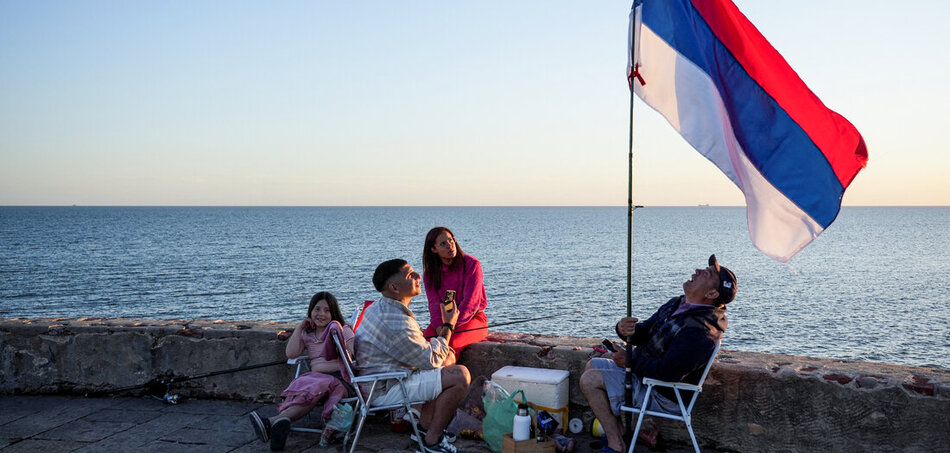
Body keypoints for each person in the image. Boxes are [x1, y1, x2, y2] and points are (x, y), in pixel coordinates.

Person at [580, 255, 737, 453]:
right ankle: (619, 432)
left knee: (589, 380)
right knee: (591, 365)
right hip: (646, 378)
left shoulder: (701, 331)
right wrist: (623, 329)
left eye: (706, 274)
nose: (697, 271)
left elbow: (667, 372)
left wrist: (629, 362)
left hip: (664, 394)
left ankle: (616, 444)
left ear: (712, 293)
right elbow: (644, 332)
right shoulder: (677, 304)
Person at [355, 259, 471, 453]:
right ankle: (432, 442)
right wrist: (449, 324)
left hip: (378, 381)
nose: (418, 276)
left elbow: (422, 353)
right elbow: (430, 360)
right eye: (410, 275)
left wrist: (439, 343)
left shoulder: (379, 307)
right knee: (460, 376)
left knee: (448, 358)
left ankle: (425, 427)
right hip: (385, 388)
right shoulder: (395, 320)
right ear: (394, 287)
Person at [249, 291, 355, 451]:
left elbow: (353, 355)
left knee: (315, 385)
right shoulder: (308, 334)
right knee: (308, 385)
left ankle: (271, 422)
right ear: (311, 311)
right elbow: (291, 354)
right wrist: (300, 327)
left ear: (334, 313)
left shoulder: (341, 330)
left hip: (341, 380)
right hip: (316, 379)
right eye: (317, 309)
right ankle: (280, 423)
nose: (321, 314)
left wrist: (343, 343)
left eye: (327, 310)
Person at [422, 226, 488, 359]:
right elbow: (434, 306)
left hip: (472, 319)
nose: (450, 245)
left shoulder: (472, 264)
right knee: (423, 343)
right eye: (443, 244)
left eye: (451, 240)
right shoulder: (430, 274)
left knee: (451, 343)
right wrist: (441, 327)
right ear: (433, 249)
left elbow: (470, 303)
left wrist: (449, 328)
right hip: (444, 323)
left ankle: (447, 377)